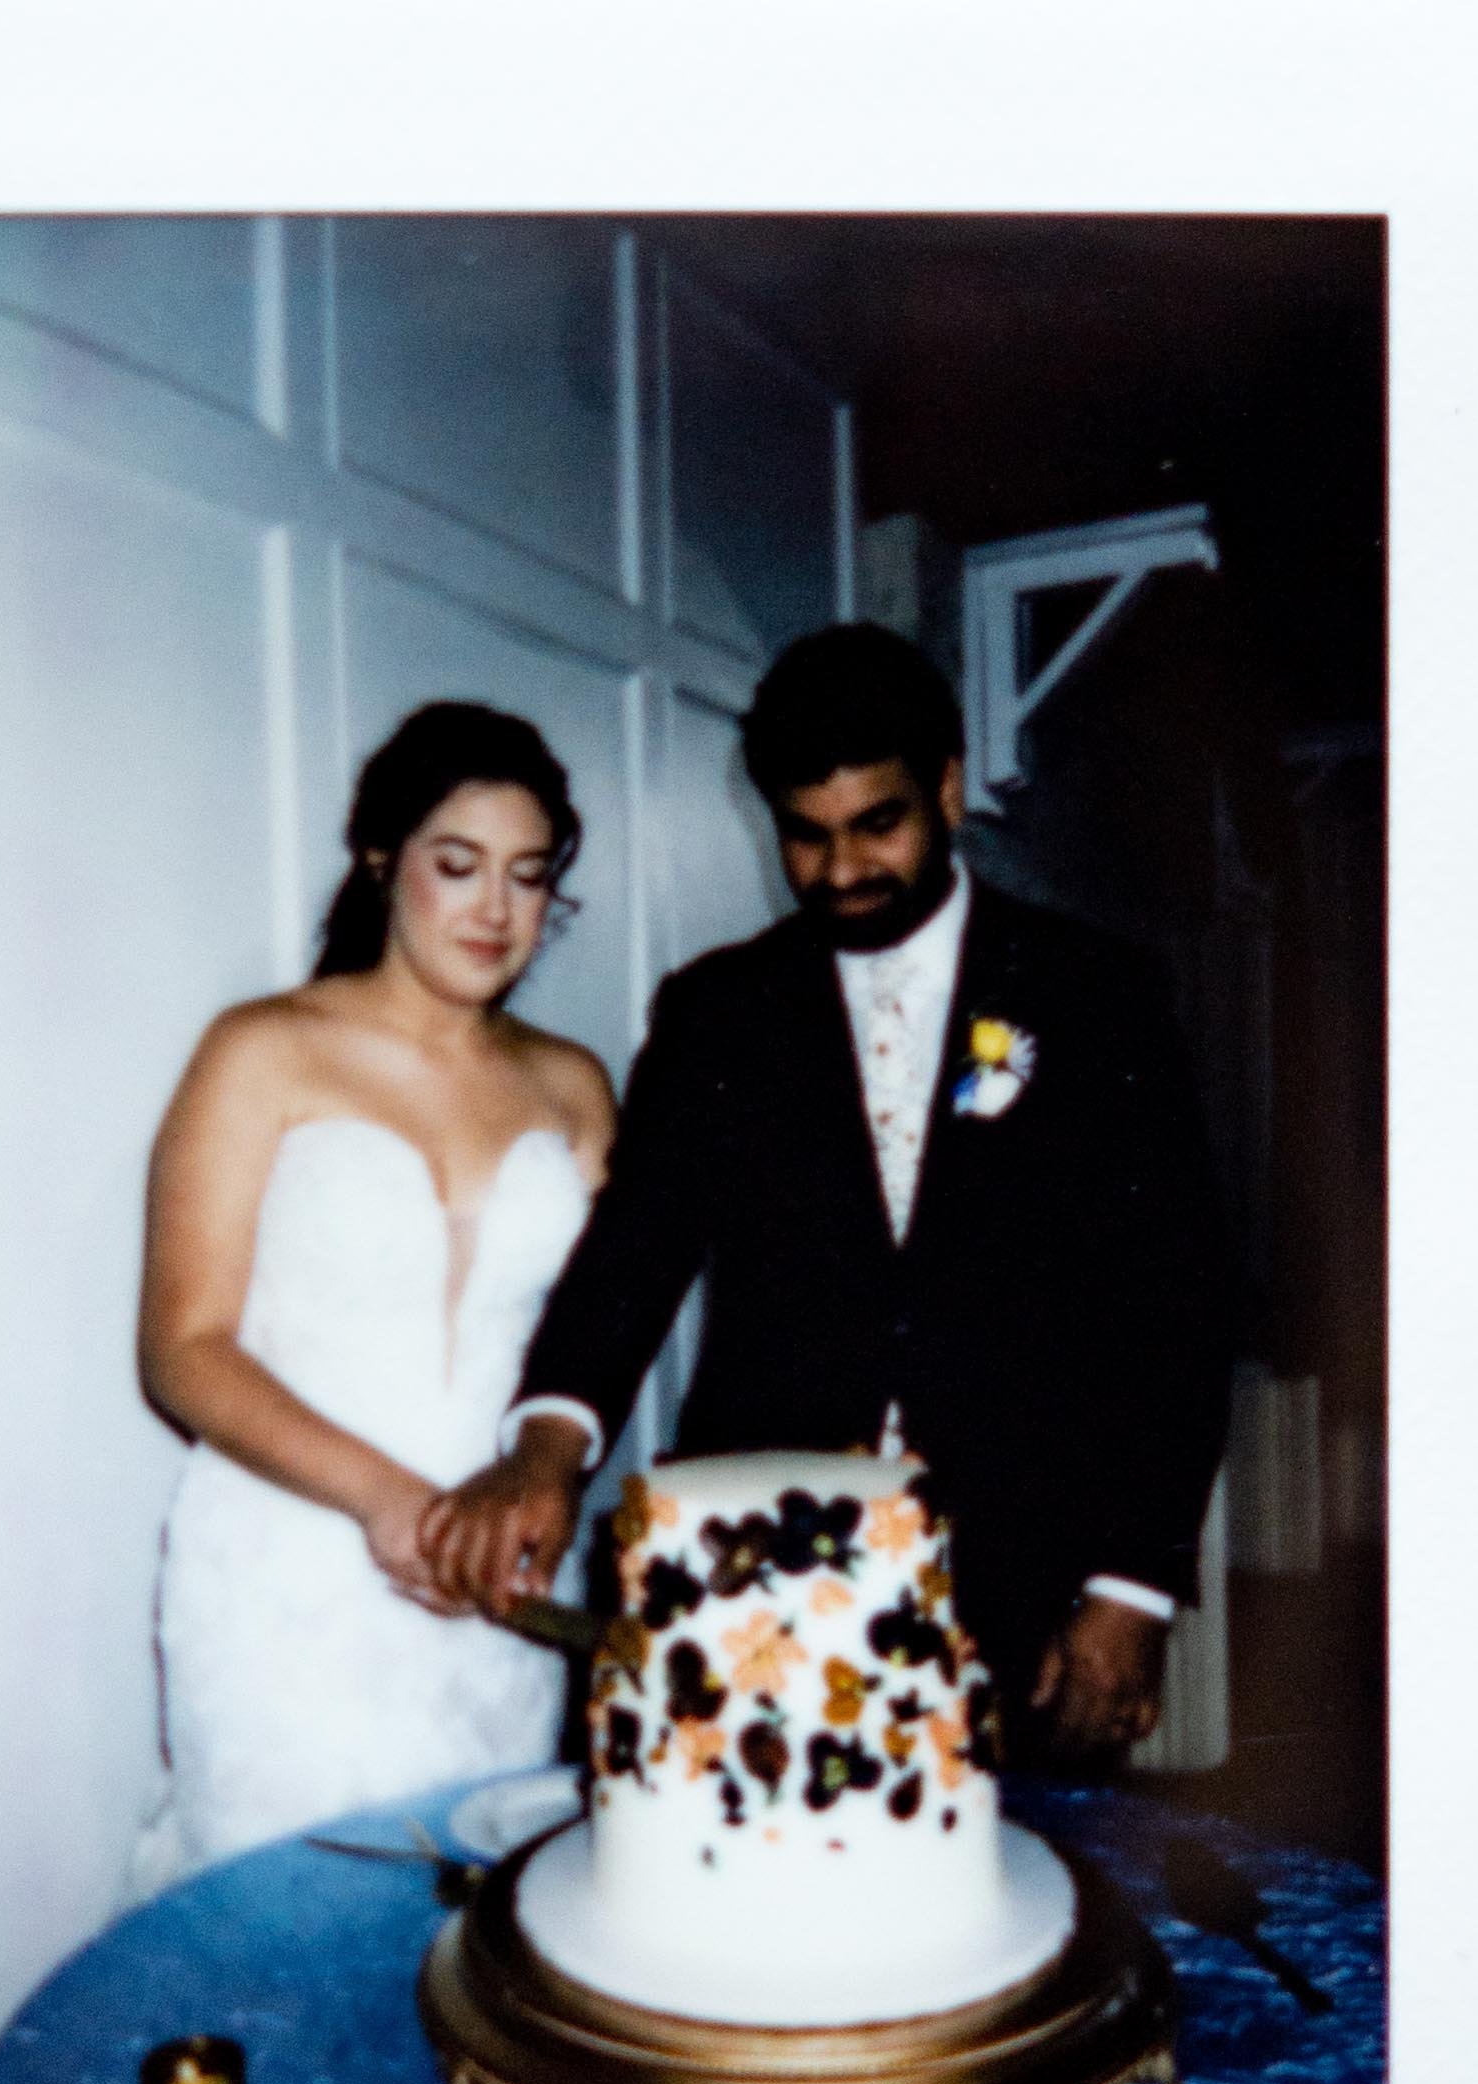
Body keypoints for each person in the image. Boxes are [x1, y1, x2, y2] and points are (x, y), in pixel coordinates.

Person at [421, 625, 1234, 1758]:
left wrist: (1133, 1584)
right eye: (805, 838)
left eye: (876, 825)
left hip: (1022, 1586)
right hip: (757, 1580)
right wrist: (545, 1446)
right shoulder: (718, 1010)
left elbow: (1179, 1306)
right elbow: (635, 1248)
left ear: (947, 787)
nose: (841, 870)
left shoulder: (1096, 995)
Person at [129, 702, 615, 1893]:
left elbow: (594, 1347)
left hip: (491, 1581)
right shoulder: (262, 1049)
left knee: (470, 1929)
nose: (496, 912)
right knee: (281, 1925)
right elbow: (183, 1348)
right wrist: (388, 1500)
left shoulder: (574, 1086)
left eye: (528, 876)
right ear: (382, 858)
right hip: (289, 1568)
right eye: (458, 867)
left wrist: (539, 1495)